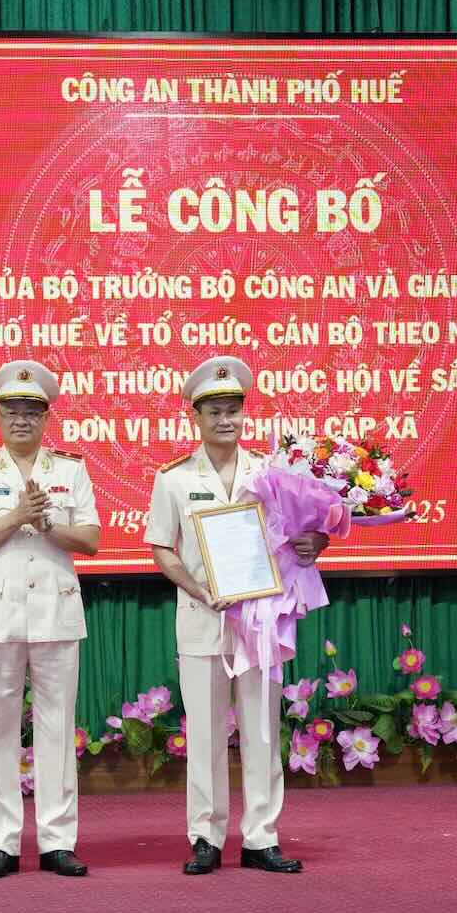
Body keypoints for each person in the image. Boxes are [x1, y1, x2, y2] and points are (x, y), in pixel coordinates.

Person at [144, 355, 333, 876]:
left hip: (261, 621)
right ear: (195, 418)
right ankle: (205, 837)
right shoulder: (175, 479)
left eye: (233, 411)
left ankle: (261, 837)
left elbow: (302, 535)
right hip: (203, 617)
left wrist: (312, 543)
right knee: (203, 734)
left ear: (244, 415)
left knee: (262, 730)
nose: (225, 420)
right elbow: (161, 548)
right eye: (214, 412)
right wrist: (199, 589)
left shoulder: (271, 475)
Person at [0, 360, 100, 879]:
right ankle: (2, 842)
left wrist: (47, 521)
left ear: (46, 417)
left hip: (57, 611)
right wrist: (15, 516)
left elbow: (92, 541)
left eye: (31, 411)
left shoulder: (70, 469)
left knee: (57, 727)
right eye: (12, 411)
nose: (21, 420)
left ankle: (58, 841)